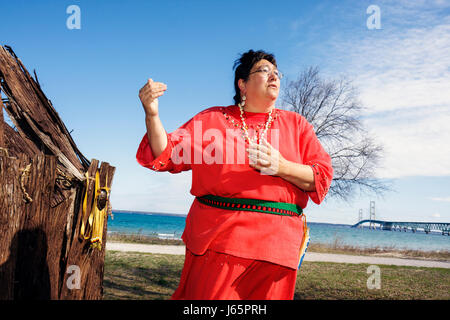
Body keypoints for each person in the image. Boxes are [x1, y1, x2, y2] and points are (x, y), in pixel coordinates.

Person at [136, 49, 333, 300]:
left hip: (278, 249)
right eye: (264, 71)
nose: (274, 76)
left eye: (277, 73)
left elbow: (322, 176)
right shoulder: (212, 119)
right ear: (242, 84)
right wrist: (152, 115)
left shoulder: (297, 125)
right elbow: (166, 154)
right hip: (220, 242)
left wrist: (281, 166)